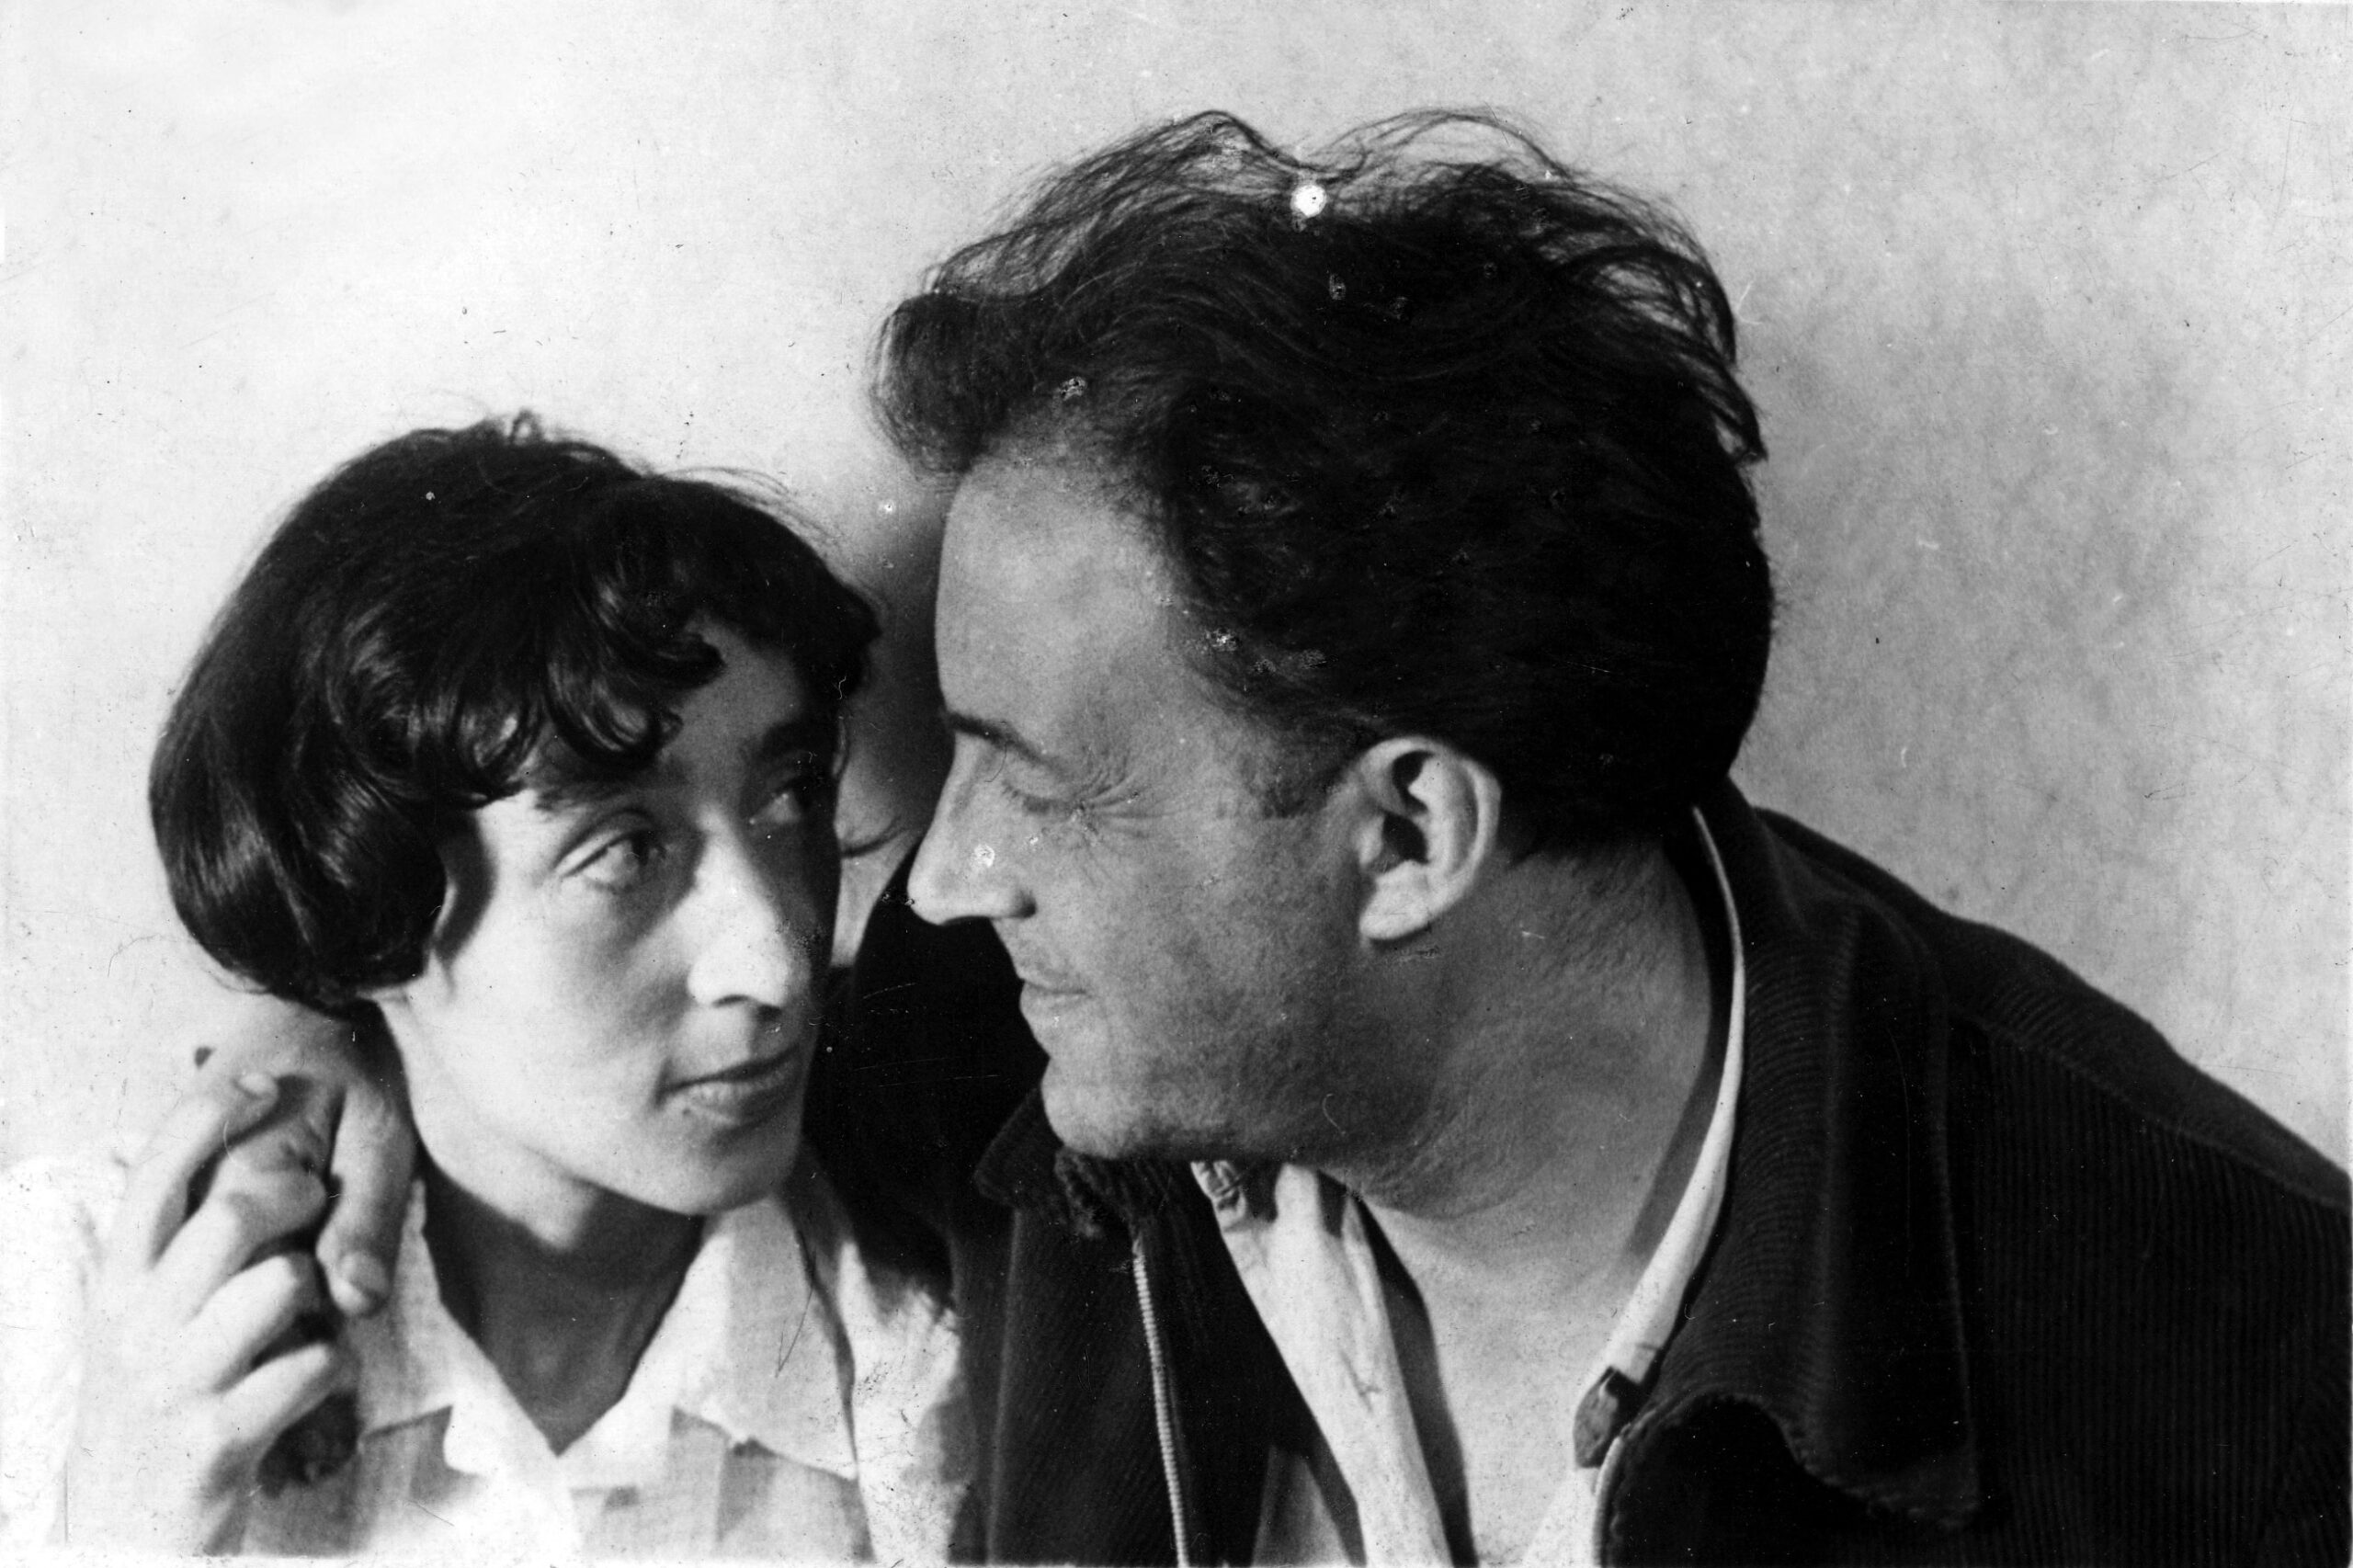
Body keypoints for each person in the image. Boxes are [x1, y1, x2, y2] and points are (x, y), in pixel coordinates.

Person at [173, 112, 2351, 1564]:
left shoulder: (2246, 1387)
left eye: (1028, 776)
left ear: (1406, 833)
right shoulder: (1021, 1035)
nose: (932, 878)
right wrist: (332, 1052)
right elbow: (553, 1007)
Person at [0, 418, 968, 1557]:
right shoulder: (75, 1306)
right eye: (624, 850)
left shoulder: (927, 1364)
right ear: (374, 907)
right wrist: (123, 1524)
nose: (777, 959)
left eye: (791, 791)